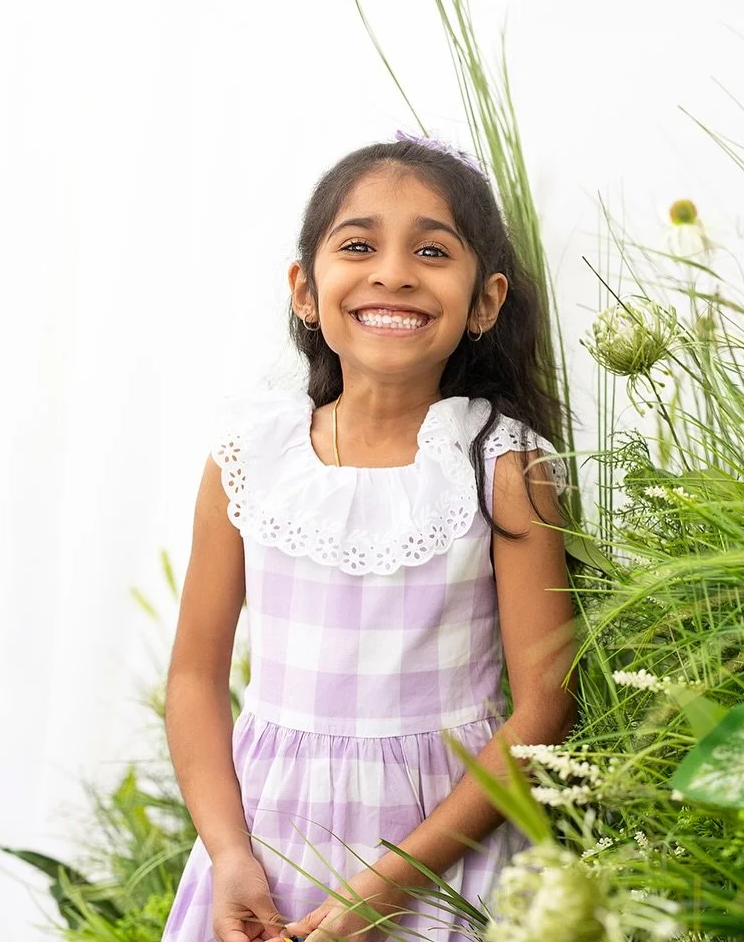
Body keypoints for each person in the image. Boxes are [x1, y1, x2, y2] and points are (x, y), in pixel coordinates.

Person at [161, 134, 578, 942]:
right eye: (358, 245)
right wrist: (228, 853)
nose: (393, 272)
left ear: (485, 301)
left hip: (446, 864)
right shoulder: (249, 459)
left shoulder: (503, 465)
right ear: (304, 289)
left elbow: (544, 705)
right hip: (265, 863)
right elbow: (193, 678)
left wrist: (394, 882)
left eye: (432, 250)